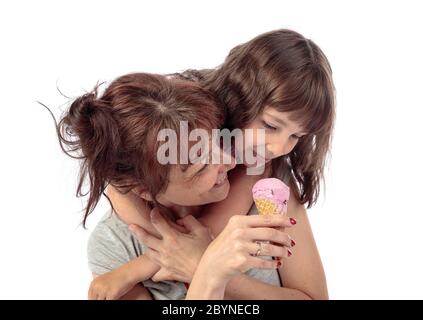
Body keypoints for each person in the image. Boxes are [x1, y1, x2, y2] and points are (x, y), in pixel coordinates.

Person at [96, 29, 335, 299]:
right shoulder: (187, 112)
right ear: (239, 98)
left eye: (296, 136)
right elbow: (120, 184)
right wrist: (163, 255)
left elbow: (208, 231)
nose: (280, 148)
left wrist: (192, 265)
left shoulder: (265, 176)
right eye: (270, 125)